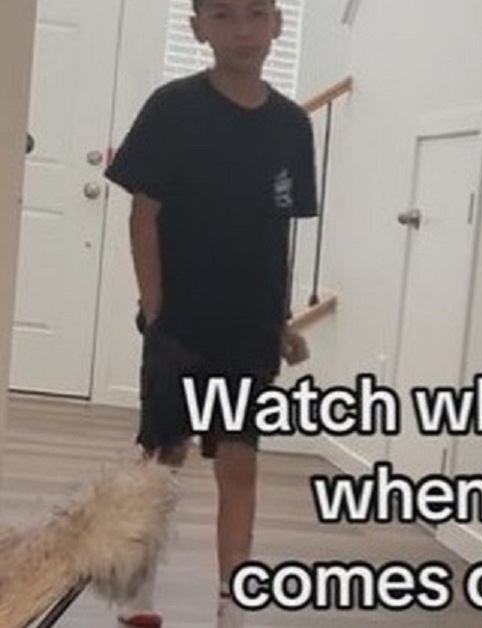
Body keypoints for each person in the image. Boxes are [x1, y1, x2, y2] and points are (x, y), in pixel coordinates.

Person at [104, 0, 317, 625]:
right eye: (222, 15)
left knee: (240, 462)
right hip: (181, 325)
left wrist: (279, 321)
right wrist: (154, 307)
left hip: (249, 330)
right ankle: (139, 594)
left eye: (256, 13)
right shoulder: (172, 109)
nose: (242, 30)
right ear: (198, 29)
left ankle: (232, 606)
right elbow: (144, 214)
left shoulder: (292, 126)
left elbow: (277, 233)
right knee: (161, 459)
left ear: (277, 23)